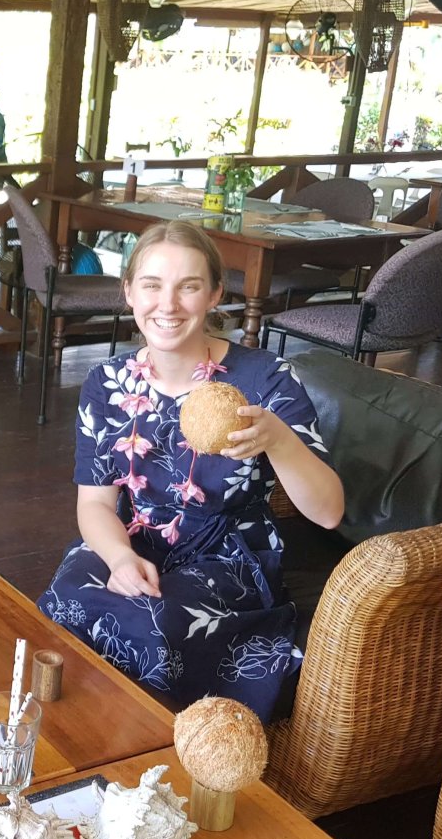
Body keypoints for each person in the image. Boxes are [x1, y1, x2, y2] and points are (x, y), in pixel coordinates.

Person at [36, 222, 343, 721]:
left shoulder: (265, 380)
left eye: (189, 286)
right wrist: (117, 559)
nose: (169, 303)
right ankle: (76, 733)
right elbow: (93, 504)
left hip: (228, 557)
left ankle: (147, 751)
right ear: (130, 291)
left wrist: (280, 440)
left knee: (155, 621)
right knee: (69, 596)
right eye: (153, 285)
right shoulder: (106, 383)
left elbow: (329, 512)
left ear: (216, 294)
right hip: (134, 539)